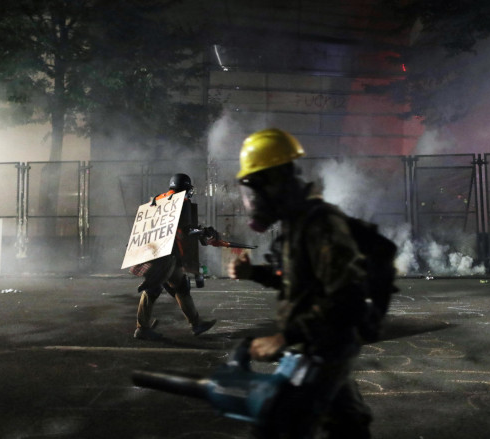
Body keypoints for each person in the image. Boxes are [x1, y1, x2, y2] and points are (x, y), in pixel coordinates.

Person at [228, 128, 374, 438]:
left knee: (278, 425)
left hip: (326, 347)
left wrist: (283, 338)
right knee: (348, 426)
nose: (253, 201)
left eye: (255, 189)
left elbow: (348, 297)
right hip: (316, 346)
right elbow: (296, 283)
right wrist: (254, 273)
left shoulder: (320, 224)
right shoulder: (295, 226)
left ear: (277, 181)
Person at [132, 173, 217, 340]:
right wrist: (204, 231)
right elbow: (185, 231)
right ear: (185, 187)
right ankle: (142, 328)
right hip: (166, 256)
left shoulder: (157, 200)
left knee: (181, 287)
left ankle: (196, 324)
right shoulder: (181, 202)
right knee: (152, 289)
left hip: (157, 252)